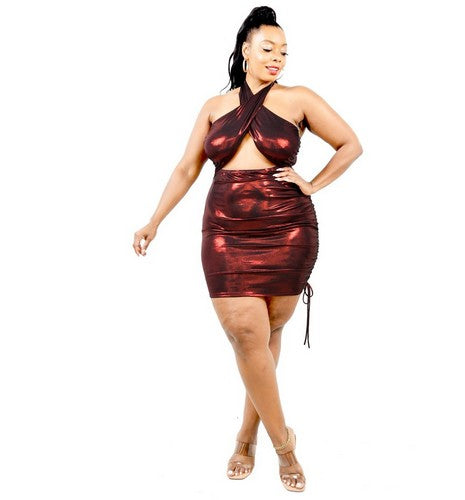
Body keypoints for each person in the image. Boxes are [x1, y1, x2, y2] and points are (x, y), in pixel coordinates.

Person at [133, 6, 362, 493]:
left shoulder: (300, 98)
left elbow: (350, 145)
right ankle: (285, 446)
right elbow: (187, 168)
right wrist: (154, 219)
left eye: (285, 52)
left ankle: (244, 437)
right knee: (246, 335)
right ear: (245, 51)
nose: (278, 58)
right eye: (268, 48)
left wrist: (311, 184)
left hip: (287, 229)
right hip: (225, 230)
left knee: (266, 335)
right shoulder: (214, 106)